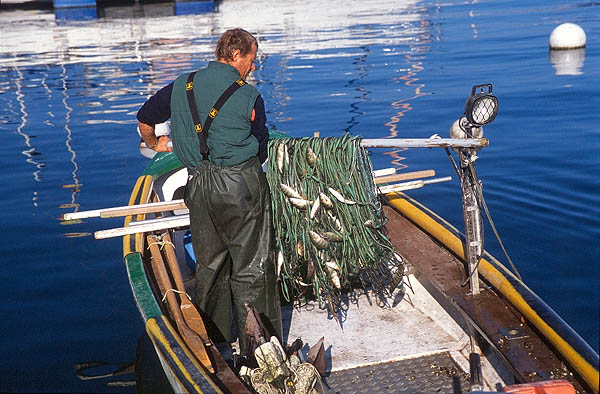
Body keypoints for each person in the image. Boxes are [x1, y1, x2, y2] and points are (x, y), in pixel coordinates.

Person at [136, 28, 282, 353]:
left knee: (210, 266)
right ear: (235, 55)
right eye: (251, 60)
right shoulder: (248, 94)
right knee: (252, 267)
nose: (253, 67)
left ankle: (215, 345)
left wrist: (155, 143)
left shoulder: (181, 85)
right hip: (240, 185)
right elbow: (261, 146)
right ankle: (260, 350)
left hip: (198, 186)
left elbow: (145, 117)